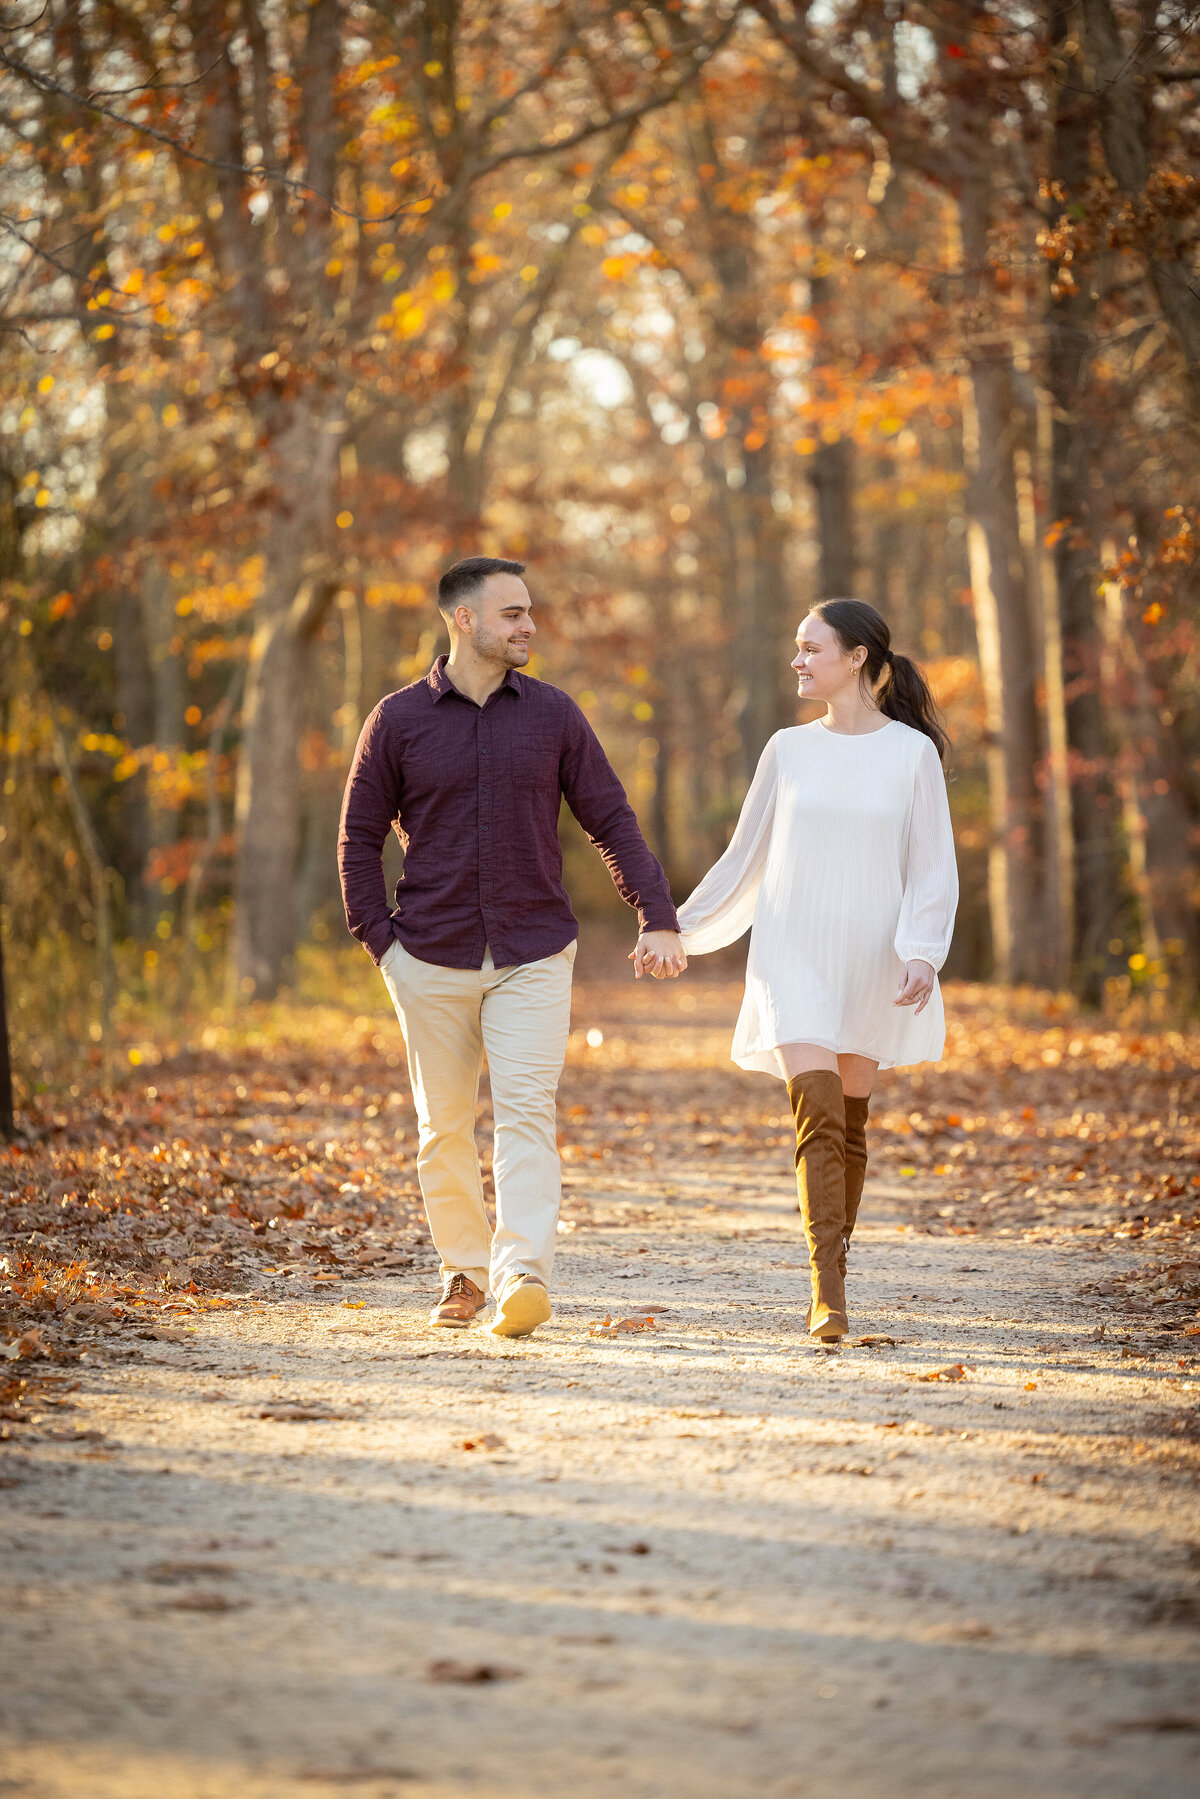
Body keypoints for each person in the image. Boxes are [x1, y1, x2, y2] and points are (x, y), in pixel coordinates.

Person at [337, 556, 686, 1339]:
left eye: (529, 612)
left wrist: (655, 913)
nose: (529, 625)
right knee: (444, 1125)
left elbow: (609, 818)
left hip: (533, 951)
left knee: (526, 1114)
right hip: (427, 954)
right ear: (464, 620)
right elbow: (358, 838)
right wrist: (381, 944)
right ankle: (463, 1271)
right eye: (513, 613)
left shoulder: (554, 715)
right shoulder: (396, 720)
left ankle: (522, 1270)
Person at [676, 598, 958, 1343]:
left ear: (857, 657)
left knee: (850, 1126)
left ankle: (835, 1268)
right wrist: (679, 927)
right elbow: (745, 856)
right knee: (818, 1114)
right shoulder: (787, 749)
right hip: (792, 950)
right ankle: (825, 1293)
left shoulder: (912, 754)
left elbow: (932, 864)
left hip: (872, 954)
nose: (797, 661)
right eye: (797, 648)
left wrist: (921, 950)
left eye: (811, 648)